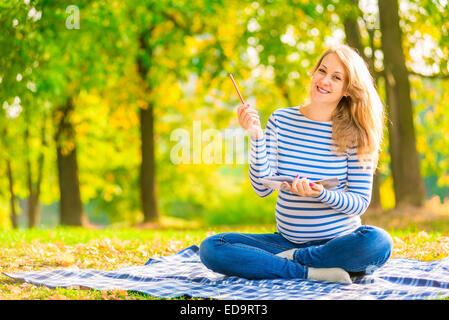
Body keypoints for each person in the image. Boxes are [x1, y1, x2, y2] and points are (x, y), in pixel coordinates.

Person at [199, 44, 393, 283]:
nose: (324, 80)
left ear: (347, 90)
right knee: (212, 247)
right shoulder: (281, 119)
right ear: (313, 73)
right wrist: (257, 136)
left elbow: (359, 203)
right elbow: (262, 188)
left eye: (336, 77)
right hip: (285, 241)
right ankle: (308, 271)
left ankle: (290, 261)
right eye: (322, 71)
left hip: (337, 243)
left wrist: (321, 194)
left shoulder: (357, 133)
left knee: (378, 242)